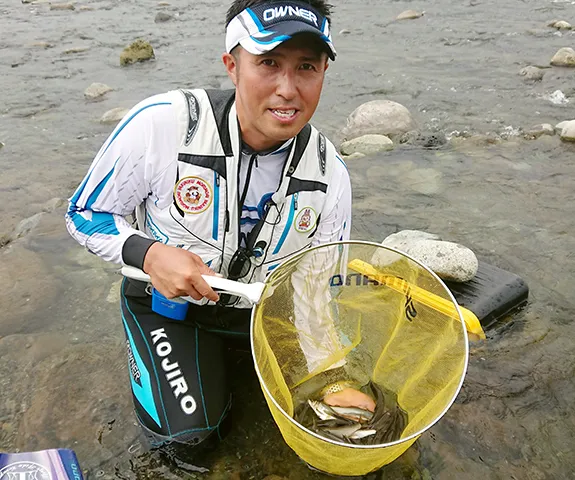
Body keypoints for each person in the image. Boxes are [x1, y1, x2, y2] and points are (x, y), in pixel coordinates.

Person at [65, 0, 371, 464]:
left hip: (265, 321)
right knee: (190, 443)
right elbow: (85, 213)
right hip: (170, 310)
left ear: (324, 72)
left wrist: (333, 373)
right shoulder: (164, 124)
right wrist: (148, 254)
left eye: (306, 67)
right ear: (232, 65)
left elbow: (318, 290)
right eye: (268, 63)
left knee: (345, 428)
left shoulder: (332, 176)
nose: (287, 89)